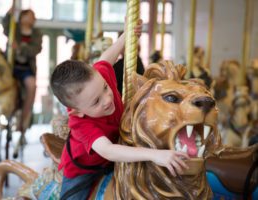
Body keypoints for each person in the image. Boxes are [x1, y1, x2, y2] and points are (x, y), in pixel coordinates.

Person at [50, 19, 189, 200]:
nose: (108, 99)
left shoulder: (99, 77)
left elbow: (105, 59)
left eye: (106, 88)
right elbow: (108, 150)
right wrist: (156, 155)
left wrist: (126, 35)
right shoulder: (81, 124)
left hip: (114, 157)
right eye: (96, 101)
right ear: (78, 112)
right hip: (84, 171)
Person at [2, 8, 43, 132]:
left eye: (33, 16)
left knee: (32, 85)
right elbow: (5, 24)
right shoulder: (14, 29)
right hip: (10, 66)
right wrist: (9, 12)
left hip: (25, 68)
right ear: (22, 17)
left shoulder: (36, 33)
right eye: (30, 15)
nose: (33, 18)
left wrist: (19, 47)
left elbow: (35, 49)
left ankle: (23, 119)